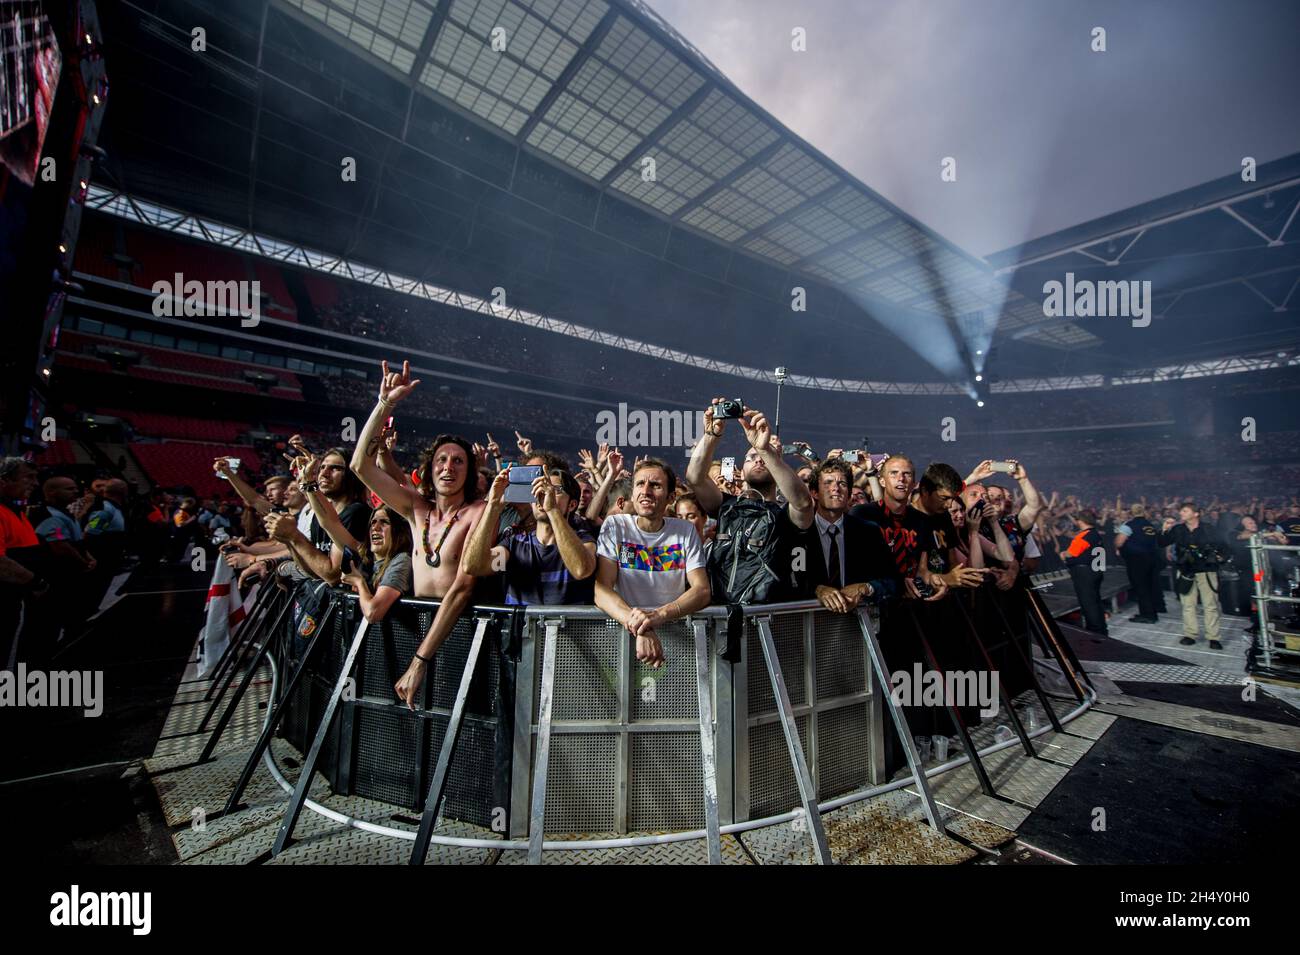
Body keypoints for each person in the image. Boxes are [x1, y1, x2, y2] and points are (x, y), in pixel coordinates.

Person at [351, 360, 489, 707]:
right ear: (430, 468)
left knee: (458, 722)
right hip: (413, 627)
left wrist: (420, 660)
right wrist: (385, 404)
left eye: (459, 461)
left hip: (457, 632)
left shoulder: (477, 512)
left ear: (470, 471)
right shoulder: (416, 508)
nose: (449, 467)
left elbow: (461, 588)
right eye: (442, 459)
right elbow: (360, 466)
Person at [685, 398, 814, 601]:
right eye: (750, 457)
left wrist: (764, 449)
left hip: (768, 620)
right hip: (723, 617)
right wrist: (711, 434)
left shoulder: (786, 514)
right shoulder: (726, 507)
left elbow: (803, 502)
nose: (758, 460)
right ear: (741, 472)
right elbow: (694, 478)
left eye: (763, 458)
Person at [595, 458, 710, 667]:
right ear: (632, 494)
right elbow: (601, 590)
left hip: (675, 642)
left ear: (671, 497)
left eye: (655, 485)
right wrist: (643, 627)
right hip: (622, 639)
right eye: (640, 484)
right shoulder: (615, 526)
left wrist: (658, 616)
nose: (645, 491)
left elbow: (702, 590)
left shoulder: (684, 531)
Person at [462, 466, 596, 605]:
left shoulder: (583, 540)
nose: (543, 494)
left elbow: (581, 569)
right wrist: (493, 507)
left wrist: (552, 510)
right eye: (538, 488)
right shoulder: (515, 545)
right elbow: (474, 566)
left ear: (572, 505)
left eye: (553, 490)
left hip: (566, 627)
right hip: (519, 626)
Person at [800, 459, 898, 612]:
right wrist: (817, 589)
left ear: (849, 494)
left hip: (856, 626)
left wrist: (866, 587)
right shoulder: (801, 532)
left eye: (842, 484)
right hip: (805, 626)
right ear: (814, 492)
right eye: (828, 483)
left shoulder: (868, 532)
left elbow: (893, 581)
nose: (836, 489)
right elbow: (788, 580)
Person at [1159, 502, 1225, 649]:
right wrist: (1164, 530)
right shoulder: (1178, 529)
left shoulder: (1208, 529)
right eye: (1181, 511)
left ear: (1196, 514)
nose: (1181, 513)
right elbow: (1162, 542)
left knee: (1210, 605)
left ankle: (1213, 637)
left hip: (1206, 569)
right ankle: (1190, 634)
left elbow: (1223, 546)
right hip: (1185, 570)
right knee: (1188, 604)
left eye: (1185, 511)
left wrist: (1219, 558)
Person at [339, 507, 413, 622]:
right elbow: (329, 523)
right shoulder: (366, 558)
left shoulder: (402, 561)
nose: (375, 527)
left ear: (399, 531)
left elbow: (372, 613)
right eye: (373, 522)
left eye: (384, 522)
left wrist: (359, 582)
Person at [1114, 503, 1161, 622]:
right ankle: (1152, 613)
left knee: (1141, 587)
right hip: (1152, 558)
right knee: (1149, 586)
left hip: (1137, 560)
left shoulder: (1129, 525)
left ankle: (1147, 615)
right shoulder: (1150, 525)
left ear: (1131, 512)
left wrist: (1118, 547)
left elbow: (1119, 542)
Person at [1063, 509, 1108, 634]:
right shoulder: (1095, 533)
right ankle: (1101, 629)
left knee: (1088, 603)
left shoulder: (1084, 535)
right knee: (1096, 601)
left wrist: (1062, 554)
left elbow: (1071, 553)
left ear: (1081, 520)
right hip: (1096, 571)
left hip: (1085, 573)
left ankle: (1094, 630)